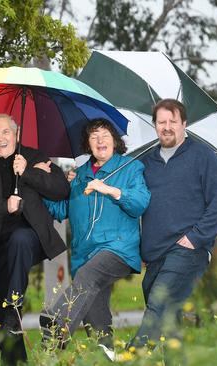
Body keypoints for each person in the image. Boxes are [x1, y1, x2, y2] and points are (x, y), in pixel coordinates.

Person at [0, 113, 70, 365]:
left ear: (16, 134)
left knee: (19, 240)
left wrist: (28, 172)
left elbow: (61, 189)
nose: (1, 138)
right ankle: (14, 360)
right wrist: (1, 207)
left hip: (29, 238)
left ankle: (14, 304)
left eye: (6, 132)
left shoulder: (34, 157)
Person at [38, 118, 150, 359]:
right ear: (87, 144)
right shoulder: (79, 176)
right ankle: (107, 357)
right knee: (96, 323)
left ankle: (55, 324)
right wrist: (43, 182)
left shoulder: (130, 168)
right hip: (84, 254)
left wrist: (109, 189)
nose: (100, 140)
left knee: (87, 277)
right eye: (94, 136)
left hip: (117, 249)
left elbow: (140, 203)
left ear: (115, 141)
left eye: (105, 135)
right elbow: (60, 210)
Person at [130, 99, 217, 350]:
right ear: (154, 126)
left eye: (172, 121)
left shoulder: (203, 156)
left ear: (184, 124)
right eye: (161, 122)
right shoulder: (145, 164)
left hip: (188, 249)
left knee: (158, 303)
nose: (167, 127)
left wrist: (195, 238)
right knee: (168, 321)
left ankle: (134, 353)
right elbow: (130, 198)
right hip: (155, 254)